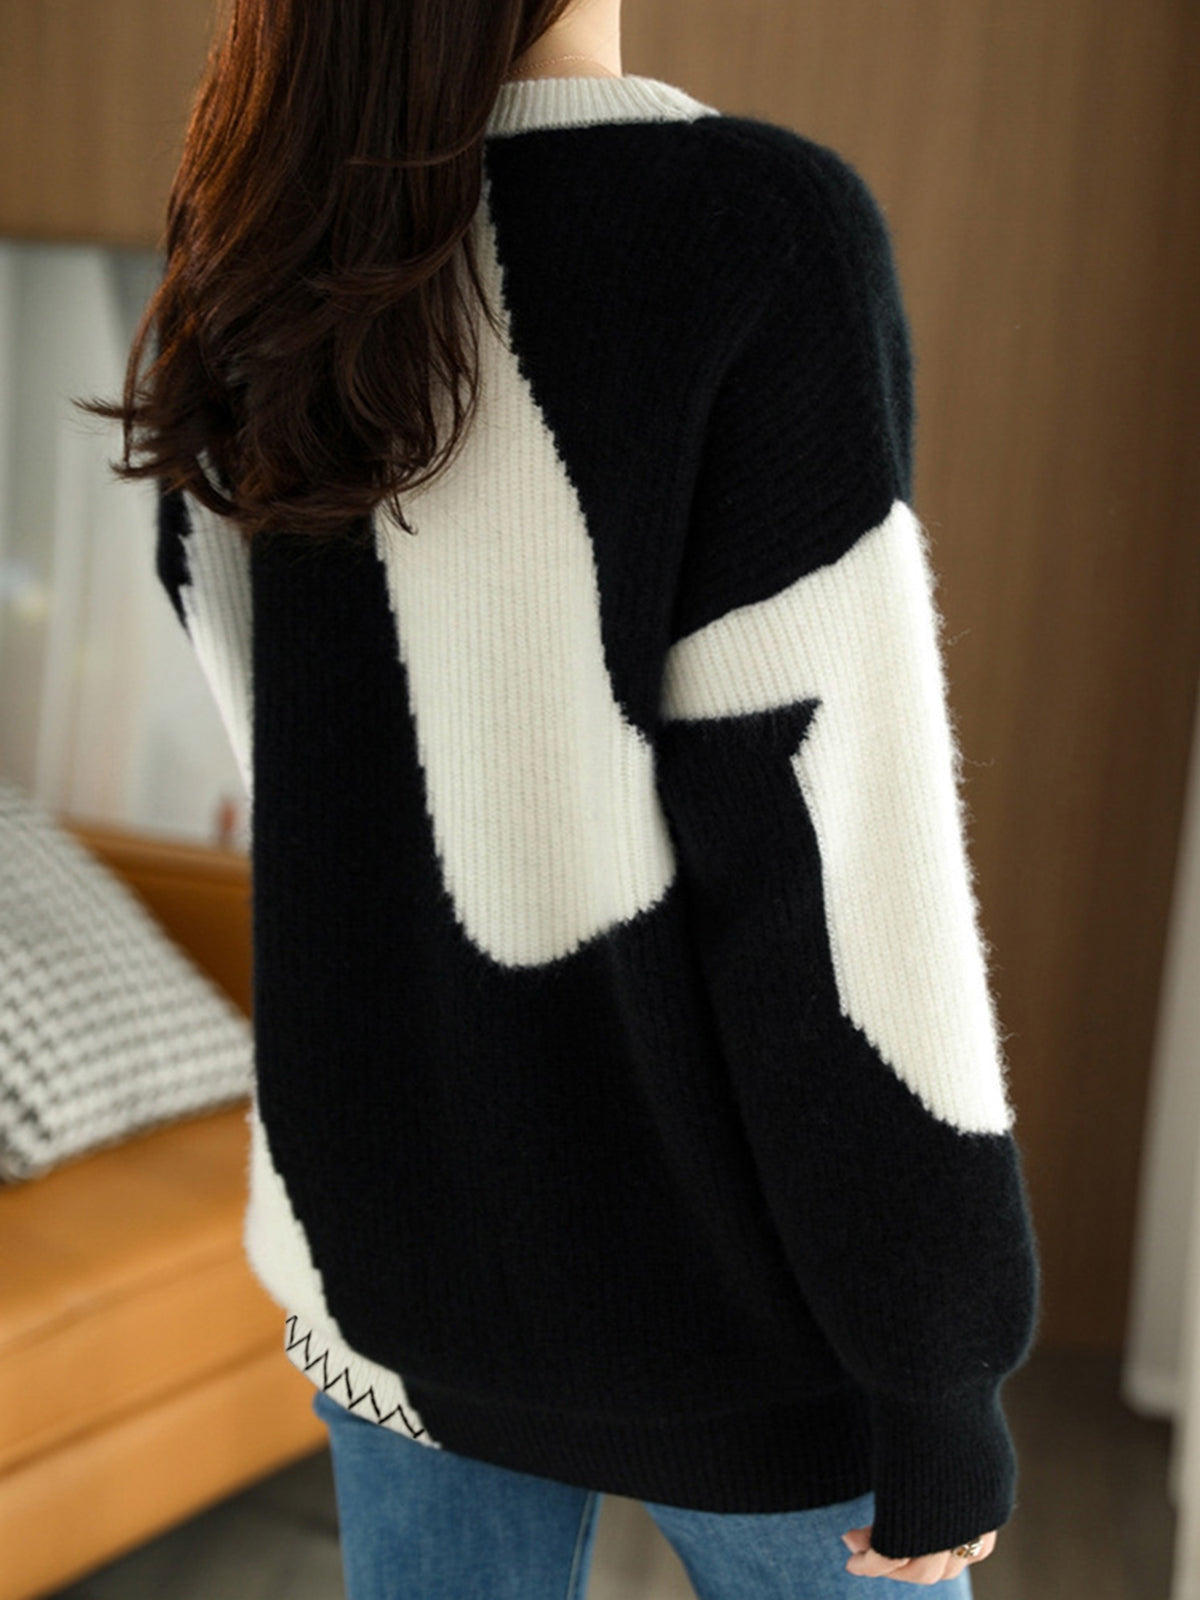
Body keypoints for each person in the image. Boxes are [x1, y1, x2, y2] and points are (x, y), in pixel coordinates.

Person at [80, 0, 1041, 1593]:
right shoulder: (752, 234)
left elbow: (302, 795)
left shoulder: (249, 264)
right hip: (738, 1324)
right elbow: (832, 852)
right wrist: (939, 1358)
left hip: (386, 1279)